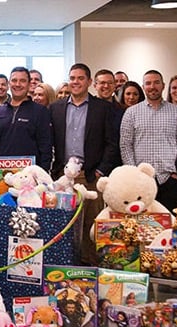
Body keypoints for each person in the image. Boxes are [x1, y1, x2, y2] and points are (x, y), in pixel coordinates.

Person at [49, 63, 118, 265]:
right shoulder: (56, 108)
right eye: (72, 78)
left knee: (91, 225)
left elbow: (112, 143)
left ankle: (90, 267)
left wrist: (99, 170)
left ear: (89, 82)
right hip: (64, 177)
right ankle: (65, 266)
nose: (76, 82)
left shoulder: (103, 108)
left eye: (80, 78)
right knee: (64, 223)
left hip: (90, 176)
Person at [120, 69, 177, 212]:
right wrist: (134, 173)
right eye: (148, 83)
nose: (152, 86)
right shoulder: (131, 113)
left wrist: (176, 171)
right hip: (141, 180)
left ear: (163, 86)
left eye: (156, 82)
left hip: (169, 179)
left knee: (170, 223)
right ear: (143, 87)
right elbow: (126, 145)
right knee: (142, 225)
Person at [0, 66, 52, 171]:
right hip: (2, 176)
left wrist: (42, 177)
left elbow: (46, 148)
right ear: (9, 84)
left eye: (22, 81)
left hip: (31, 177)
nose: (17, 84)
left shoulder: (40, 112)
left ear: (29, 85)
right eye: (14, 81)